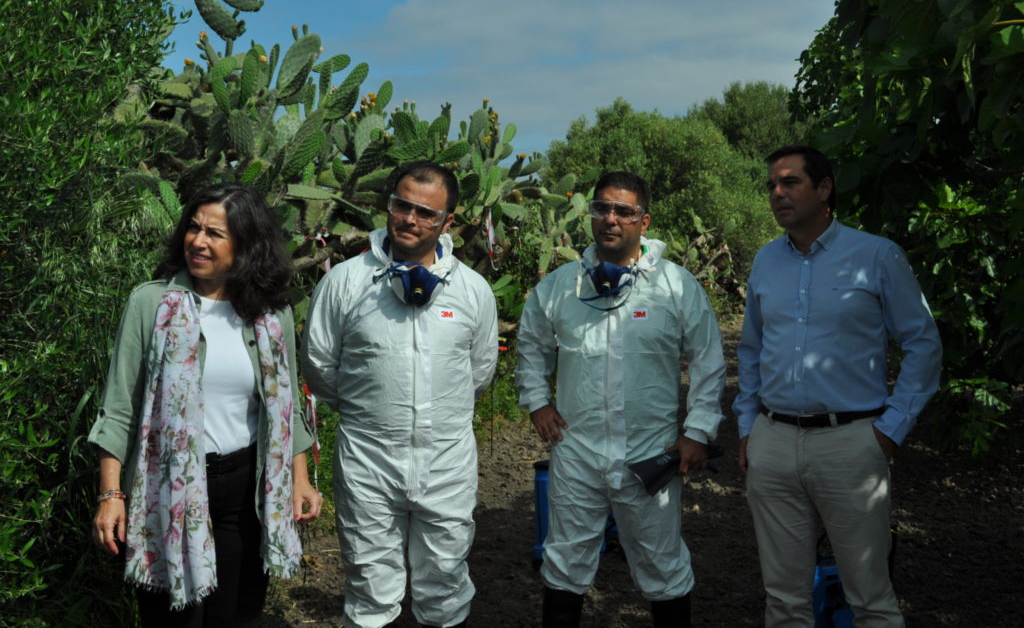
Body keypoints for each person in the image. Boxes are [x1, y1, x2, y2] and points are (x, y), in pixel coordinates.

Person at [89, 182, 322, 627]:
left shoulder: (272, 314)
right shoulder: (151, 303)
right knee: (173, 620)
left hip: (245, 491)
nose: (198, 241)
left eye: (215, 233)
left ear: (248, 245)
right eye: (194, 228)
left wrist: (300, 480)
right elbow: (119, 407)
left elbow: (287, 407)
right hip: (167, 490)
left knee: (235, 617)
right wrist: (111, 493)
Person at [734, 145, 942, 627]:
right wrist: (748, 427)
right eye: (771, 186)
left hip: (852, 444)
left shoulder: (876, 256)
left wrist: (890, 431)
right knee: (784, 600)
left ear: (824, 188)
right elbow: (750, 349)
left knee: (870, 598)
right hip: (774, 441)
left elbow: (923, 344)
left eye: (790, 183)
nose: (778, 194)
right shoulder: (766, 261)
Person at [516, 170, 726, 628]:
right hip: (578, 450)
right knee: (565, 563)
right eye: (602, 208)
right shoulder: (559, 287)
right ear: (590, 214)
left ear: (643, 221)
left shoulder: (675, 286)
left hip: (651, 454)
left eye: (624, 211)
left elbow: (709, 360)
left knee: (663, 565)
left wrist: (698, 432)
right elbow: (530, 345)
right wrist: (536, 401)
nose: (610, 219)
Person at [301, 161, 499, 628]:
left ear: (448, 222)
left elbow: (481, 370)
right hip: (368, 461)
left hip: (447, 463)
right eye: (402, 205)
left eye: (426, 213)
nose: (410, 219)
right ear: (388, 206)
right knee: (370, 591)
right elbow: (320, 366)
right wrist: (372, 414)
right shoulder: (345, 282)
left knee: (445, 588)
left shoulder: (472, 290)